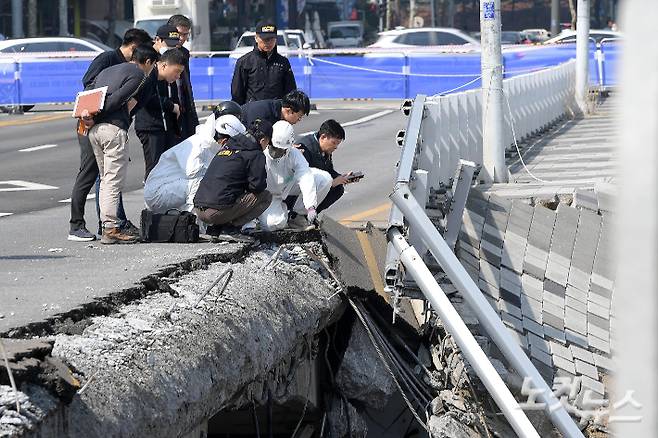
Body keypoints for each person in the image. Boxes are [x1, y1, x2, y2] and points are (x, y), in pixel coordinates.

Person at [68, 28, 152, 242]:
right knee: (91, 174)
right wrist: (93, 114)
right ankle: (77, 225)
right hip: (92, 122)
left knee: (105, 179)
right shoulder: (108, 60)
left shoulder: (120, 67)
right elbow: (90, 85)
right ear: (135, 48)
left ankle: (108, 223)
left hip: (97, 121)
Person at [83, 44, 159, 244]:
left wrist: (91, 115)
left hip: (94, 131)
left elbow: (90, 91)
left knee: (104, 179)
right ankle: (111, 228)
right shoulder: (139, 74)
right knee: (112, 182)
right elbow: (119, 98)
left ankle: (106, 225)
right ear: (148, 62)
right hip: (112, 130)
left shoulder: (108, 71)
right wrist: (102, 112)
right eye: (153, 65)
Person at [143, 113, 246, 213]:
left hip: (171, 188)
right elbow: (192, 172)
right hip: (156, 193)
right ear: (224, 140)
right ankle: (195, 224)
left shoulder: (210, 145)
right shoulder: (199, 144)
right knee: (200, 184)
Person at [193, 119, 274, 240]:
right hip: (216, 212)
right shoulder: (255, 154)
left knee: (230, 191)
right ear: (263, 140)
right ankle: (231, 229)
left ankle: (215, 229)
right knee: (266, 196)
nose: (266, 146)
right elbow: (257, 186)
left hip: (199, 208)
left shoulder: (228, 146)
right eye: (268, 143)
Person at [259, 121, 333, 231]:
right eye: (274, 148)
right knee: (272, 225)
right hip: (268, 195)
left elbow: (305, 177)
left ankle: (297, 216)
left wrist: (310, 206)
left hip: (287, 186)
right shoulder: (260, 154)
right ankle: (267, 216)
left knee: (324, 179)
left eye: (281, 150)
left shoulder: (294, 154)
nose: (276, 153)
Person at [134, 43, 186, 178]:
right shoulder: (149, 75)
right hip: (150, 127)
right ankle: (150, 197)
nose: (178, 76)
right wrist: (171, 106)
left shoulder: (166, 80)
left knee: (166, 167)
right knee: (153, 168)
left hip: (165, 127)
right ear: (164, 66)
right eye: (177, 72)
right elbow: (148, 99)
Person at [293, 119, 353, 216]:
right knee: (330, 184)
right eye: (334, 143)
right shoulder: (306, 148)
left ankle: (311, 216)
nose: (336, 147)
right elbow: (303, 178)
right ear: (323, 137)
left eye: (337, 144)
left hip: (316, 184)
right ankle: (297, 215)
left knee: (338, 189)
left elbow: (328, 170)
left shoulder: (325, 150)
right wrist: (332, 183)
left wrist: (342, 177)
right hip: (297, 188)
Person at [230, 19, 297, 105]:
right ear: (256, 38)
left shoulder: (283, 62)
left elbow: (290, 91)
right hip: (252, 114)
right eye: (265, 39)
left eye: (271, 39)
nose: (268, 43)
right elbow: (237, 94)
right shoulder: (244, 62)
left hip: (277, 114)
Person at [167, 14, 199, 140]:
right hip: (167, 107)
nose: (182, 38)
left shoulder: (185, 53)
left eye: (186, 34)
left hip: (184, 106)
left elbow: (186, 83)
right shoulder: (161, 52)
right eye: (179, 34)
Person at [240, 89, 310, 128]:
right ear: (289, 111)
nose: (299, 120)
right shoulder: (265, 115)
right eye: (299, 116)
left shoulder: (278, 113)